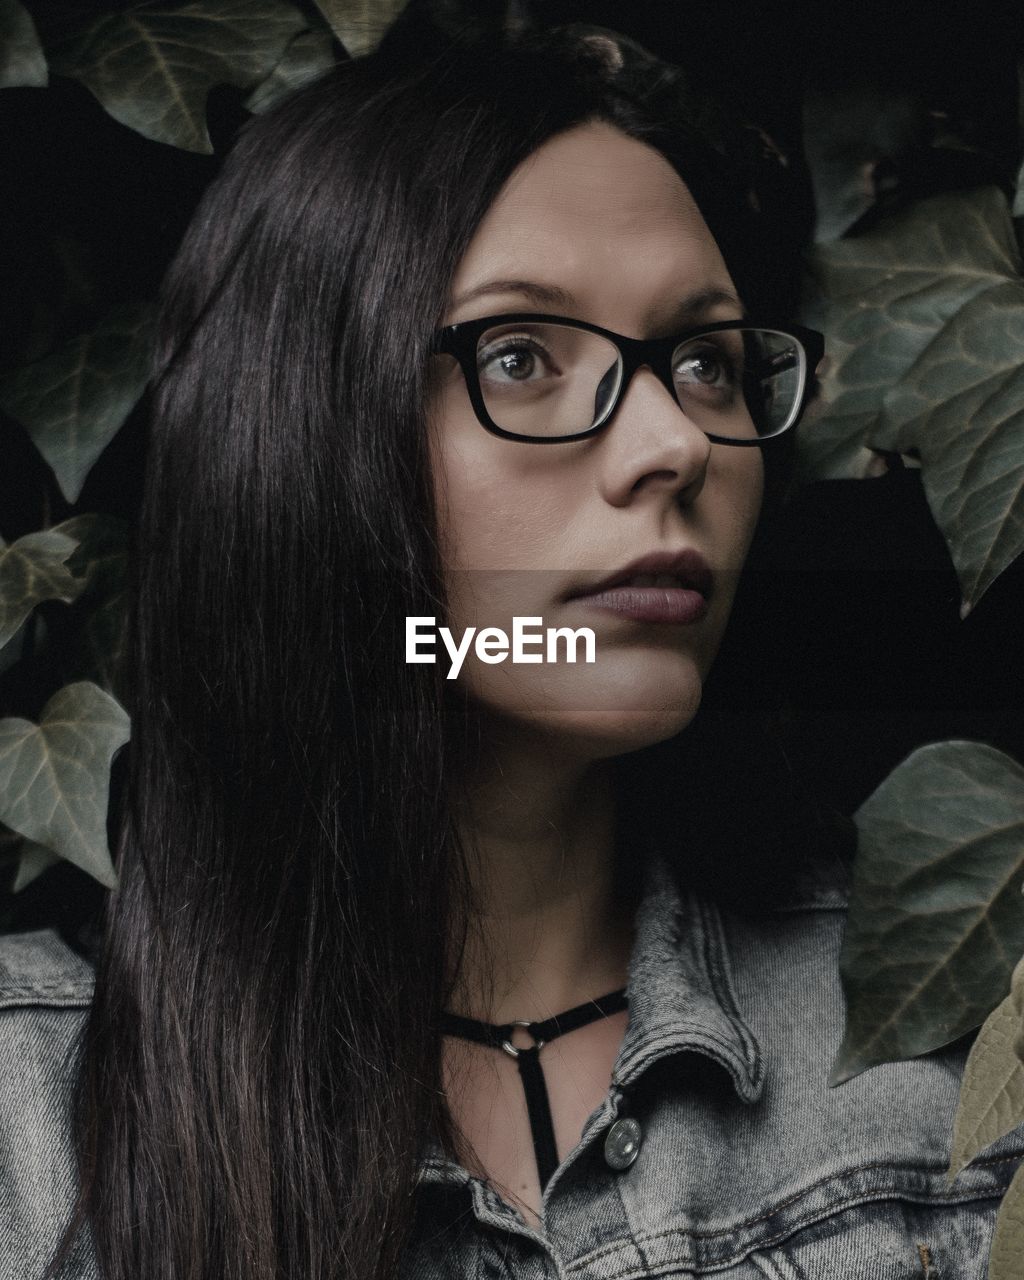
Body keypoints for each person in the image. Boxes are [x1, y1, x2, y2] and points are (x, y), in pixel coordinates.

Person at [2, 16, 1022, 1280]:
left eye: (705, 360)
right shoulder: (26, 1112)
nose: (675, 443)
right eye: (521, 354)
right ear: (300, 432)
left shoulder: (952, 1043)